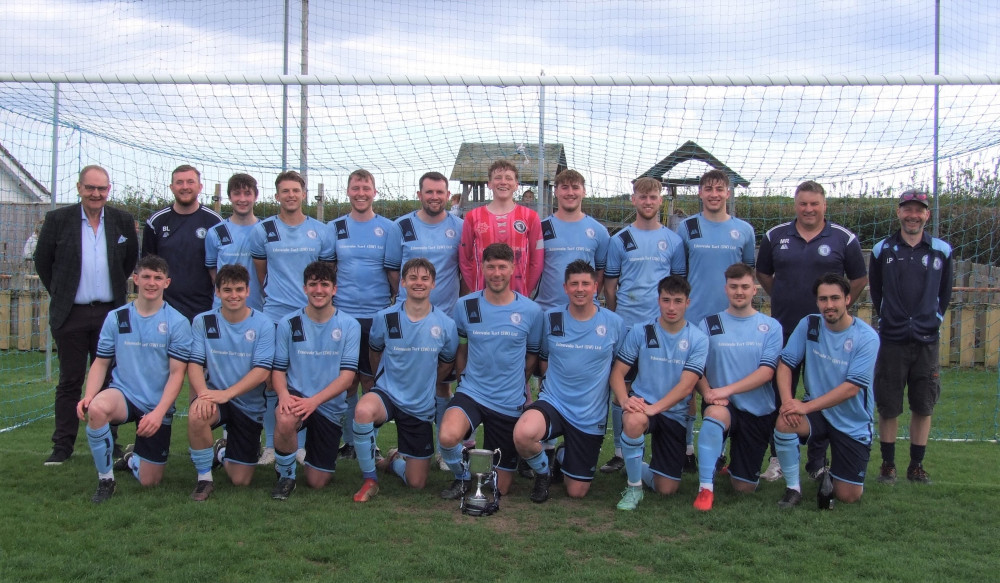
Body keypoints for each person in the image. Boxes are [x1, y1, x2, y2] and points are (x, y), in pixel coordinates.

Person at [756, 180, 868, 481]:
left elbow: (858, 279)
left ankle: (818, 461)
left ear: (824, 206)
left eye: (814, 204)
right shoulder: (775, 236)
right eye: (803, 203)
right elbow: (764, 275)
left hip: (826, 335)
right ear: (796, 205)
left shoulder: (844, 238)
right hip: (785, 329)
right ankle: (779, 457)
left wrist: (836, 308)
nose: (808, 209)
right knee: (782, 396)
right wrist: (784, 297)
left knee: (822, 393)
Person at [34, 165, 138, 466]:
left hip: (109, 314)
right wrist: (64, 293)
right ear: (79, 188)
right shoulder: (58, 220)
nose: (96, 194)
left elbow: (129, 261)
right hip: (71, 314)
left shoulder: (122, 220)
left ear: (109, 189)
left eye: (102, 189)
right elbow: (44, 263)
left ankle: (110, 442)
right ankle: (62, 446)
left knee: (110, 380)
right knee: (70, 380)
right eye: (90, 188)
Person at [75, 255, 192, 503]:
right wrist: (89, 395)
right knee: (97, 408)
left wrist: (159, 413)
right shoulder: (117, 318)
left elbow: (176, 374)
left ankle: (130, 458)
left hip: (156, 404)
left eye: (158, 278)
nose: (151, 283)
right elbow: (101, 362)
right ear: (135, 279)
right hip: (123, 394)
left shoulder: (178, 322)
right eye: (146, 276)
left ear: (167, 283)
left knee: (150, 481)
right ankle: (106, 480)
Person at [512, 260, 624, 503]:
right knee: (523, 434)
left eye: (585, 283)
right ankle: (543, 472)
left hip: (589, 414)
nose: (580, 289)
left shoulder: (614, 323)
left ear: (596, 287)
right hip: (554, 403)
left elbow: (619, 369)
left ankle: (562, 456)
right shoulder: (551, 319)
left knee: (576, 492)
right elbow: (542, 360)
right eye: (574, 284)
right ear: (565, 288)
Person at [438, 243, 543, 500]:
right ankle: (462, 478)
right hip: (472, 392)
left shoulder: (531, 311)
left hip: (508, 401)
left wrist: (520, 382)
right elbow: (462, 346)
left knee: (501, 488)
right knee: (448, 436)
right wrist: (462, 377)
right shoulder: (465, 306)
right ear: (482, 268)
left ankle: (515, 463)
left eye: (502, 267)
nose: (497, 273)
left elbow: (532, 356)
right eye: (491, 266)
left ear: (512, 269)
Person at [351, 258, 459, 502]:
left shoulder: (446, 325)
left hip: (419, 405)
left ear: (433, 283)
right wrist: (379, 381)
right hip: (388, 395)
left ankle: (392, 463)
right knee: (363, 410)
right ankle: (370, 480)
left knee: (416, 483)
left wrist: (427, 381)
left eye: (424, 278)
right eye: (412, 278)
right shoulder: (385, 318)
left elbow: (447, 363)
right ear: (402, 283)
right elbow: (375, 350)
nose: (418, 283)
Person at [600, 176, 686, 474]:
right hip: (627, 326)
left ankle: (683, 448)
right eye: (642, 196)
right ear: (633, 199)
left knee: (674, 387)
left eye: (653, 197)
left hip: (662, 330)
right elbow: (610, 285)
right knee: (621, 386)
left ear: (660, 201)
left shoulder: (673, 240)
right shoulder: (619, 239)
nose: (648, 202)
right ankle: (622, 453)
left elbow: (676, 287)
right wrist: (616, 320)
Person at [772, 273, 880, 508]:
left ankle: (829, 470)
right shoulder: (809, 324)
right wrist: (788, 402)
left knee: (848, 496)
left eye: (835, 298)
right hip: (818, 413)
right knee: (784, 421)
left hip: (853, 420)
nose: (829, 305)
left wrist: (804, 406)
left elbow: (851, 389)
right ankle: (793, 489)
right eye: (823, 299)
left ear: (847, 299)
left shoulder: (867, 338)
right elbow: (785, 364)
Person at [249, 170, 334, 464]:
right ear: (277, 196)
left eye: (295, 190)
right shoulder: (263, 230)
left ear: (303, 194)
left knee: (305, 379)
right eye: (284, 191)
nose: (290, 195)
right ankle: (274, 445)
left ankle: (302, 444)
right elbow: (261, 272)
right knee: (274, 381)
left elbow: (324, 276)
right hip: (275, 314)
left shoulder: (321, 231)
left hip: (311, 317)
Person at [869, 188, 953, 485]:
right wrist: (889, 319)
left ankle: (916, 465)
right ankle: (888, 465)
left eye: (919, 210)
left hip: (926, 342)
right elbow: (876, 292)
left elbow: (945, 294)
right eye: (908, 209)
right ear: (899, 212)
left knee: (923, 404)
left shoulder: (941, 250)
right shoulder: (882, 250)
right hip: (892, 340)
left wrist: (933, 320)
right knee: (889, 404)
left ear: (926, 214)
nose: (913, 215)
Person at [678, 170, 756, 471]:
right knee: (688, 386)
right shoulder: (687, 228)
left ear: (728, 193)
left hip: (731, 322)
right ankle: (685, 449)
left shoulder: (744, 230)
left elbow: (746, 276)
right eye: (708, 188)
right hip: (695, 320)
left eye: (719, 189)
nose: (714, 194)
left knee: (725, 386)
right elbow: (679, 276)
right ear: (700, 193)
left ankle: (723, 450)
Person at [610, 275, 707, 510]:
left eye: (677, 301)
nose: (671, 307)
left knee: (666, 489)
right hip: (643, 405)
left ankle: (637, 466)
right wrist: (624, 400)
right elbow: (617, 373)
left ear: (687, 303)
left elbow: (686, 386)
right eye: (666, 300)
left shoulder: (698, 339)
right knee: (633, 421)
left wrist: (655, 408)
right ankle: (634, 489)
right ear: (658, 300)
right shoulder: (641, 331)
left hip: (673, 414)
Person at [692, 264, 783, 511]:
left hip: (758, 410)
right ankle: (705, 489)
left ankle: (733, 465)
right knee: (715, 415)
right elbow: (695, 368)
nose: (739, 292)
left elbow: (766, 373)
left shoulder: (771, 326)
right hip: (723, 405)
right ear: (726, 289)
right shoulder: (710, 324)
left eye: (744, 287)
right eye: (734, 287)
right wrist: (709, 392)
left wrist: (725, 390)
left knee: (744, 488)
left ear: (755, 290)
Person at [270, 261, 361, 500]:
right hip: (297, 397)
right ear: (304, 288)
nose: (318, 290)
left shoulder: (350, 325)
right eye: (313, 284)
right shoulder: (288, 323)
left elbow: (347, 378)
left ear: (334, 289)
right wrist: (283, 396)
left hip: (328, 406)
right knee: (285, 417)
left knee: (317, 482)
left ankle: (302, 456)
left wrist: (314, 402)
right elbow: (278, 371)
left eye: (324, 284)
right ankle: (286, 475)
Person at [328, 169, 402, 459]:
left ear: (375, 192)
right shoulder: (334, 228)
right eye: (355, 188)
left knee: (371, 381)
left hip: (377, 317)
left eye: (366, 188)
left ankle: (369, 442)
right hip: (343, 317)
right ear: (348, 191)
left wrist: (393, 305)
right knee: (345, 383)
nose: (361, 193)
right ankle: (348, 443)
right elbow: (330, 271)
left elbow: (393, 272)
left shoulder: (389, 228)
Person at [186, 264, 275, 501]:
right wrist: (203, 394)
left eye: (238, 289)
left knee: (240, 480)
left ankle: (222, 451)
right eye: (227, 290)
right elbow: (194, 363)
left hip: (248, 405)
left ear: (247, 291)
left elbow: (263, 370)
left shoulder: (263, 324)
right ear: (217, 292)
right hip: (215, 398)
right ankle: (204, 480)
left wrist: (229, 393)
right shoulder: (203, 321)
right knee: (197, 414)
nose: (233, 295)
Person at [395, 171, 465, 466]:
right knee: (404, 381)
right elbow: (392, 272)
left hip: (444, 319)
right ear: (419, 194)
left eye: (440, 192)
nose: (434, 197)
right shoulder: (402, 226)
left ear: (447, 195)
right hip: (408, 319)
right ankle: (406, 448)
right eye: (429, 192)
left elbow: (464, 271)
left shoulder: (460, 227)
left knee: (441, 385)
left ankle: (443, 450)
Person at [142, 164, 222, 321]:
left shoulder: (215, 222)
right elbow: (147, 269)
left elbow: (221, 267)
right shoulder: (156, 222)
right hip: (164, 310)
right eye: (179, 182)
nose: (185, 187)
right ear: (172, 187)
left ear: (200, 187)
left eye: (190, 182)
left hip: (204, 309)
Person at [460, 159, 544, 296]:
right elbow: (464, 259)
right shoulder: (472, 217)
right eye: (498, 178)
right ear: (490, 184)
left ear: (516, 185)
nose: (503, 182)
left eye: (508, 178)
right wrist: (476, 289)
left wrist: (526, 290)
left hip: (518, 294)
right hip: (483, 295)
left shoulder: (531, 217)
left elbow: (537, 260)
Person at [534, 169, 610, 312]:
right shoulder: (541, 228)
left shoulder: (599, 231)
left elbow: (601, 272)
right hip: (547, 310)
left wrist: (587, 299)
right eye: (564, 187)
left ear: (584, 192)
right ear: (556, 192)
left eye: (575, 187)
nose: (570, 193)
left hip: (586, 312)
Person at [204, 173, 264, 311]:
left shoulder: (265, 231)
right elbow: (213, 272)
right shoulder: (216, 232)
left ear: (255, 196)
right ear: (230, 197)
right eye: (237, 193)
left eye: (247, 193)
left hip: (257, 308)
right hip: (223, 310)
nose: (242, 199)